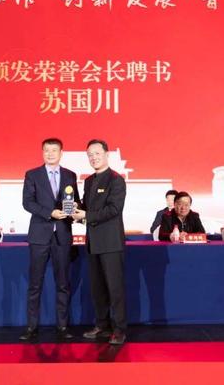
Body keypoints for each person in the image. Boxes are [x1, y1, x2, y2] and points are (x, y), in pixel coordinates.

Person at [20, 138, 80, 341]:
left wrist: (74, 209)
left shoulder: (70, 175)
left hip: (62, 234)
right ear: (42, 152)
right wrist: (50, 213)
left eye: (54, 150)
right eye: (47, 150)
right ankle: (31, 327)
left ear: (61, 153)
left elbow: (75, 200)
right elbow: (27, 202)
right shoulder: (32, 175)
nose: (50, 154)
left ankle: (62, 327)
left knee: (63, 283)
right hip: (39, 234)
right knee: (35, 284)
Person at [72, 139, 127, 345]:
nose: (93, 158)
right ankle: (102, 326)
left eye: (97, 153)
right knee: (98, 289)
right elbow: (87, 207)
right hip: (93, 242)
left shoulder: (116, 180)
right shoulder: (88, 181)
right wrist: (75, 208)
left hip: (111, 243)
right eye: (90, 155)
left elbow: (114, 209)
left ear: (106, 155)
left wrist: (86, 215)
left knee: (115, 288)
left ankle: (119, 329)